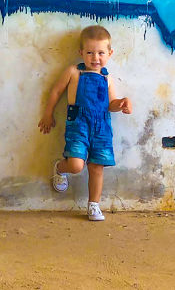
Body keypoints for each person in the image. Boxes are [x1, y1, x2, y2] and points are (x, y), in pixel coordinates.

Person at [38, 25, 132, 221]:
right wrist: (48, 114)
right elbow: (56, 92)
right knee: (76, 165)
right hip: (79, 123)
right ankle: (60, 168)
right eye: (89, 52)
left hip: (102, 127)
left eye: (100, 53)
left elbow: (111, 104)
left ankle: (94, 205)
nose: (95, 58)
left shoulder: (107, 78)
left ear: (109, 53)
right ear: (81, 52)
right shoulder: (74, 72)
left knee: (97, 166)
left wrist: (122, 103)